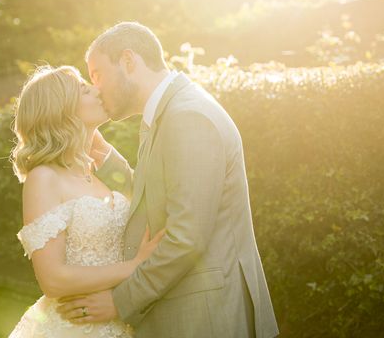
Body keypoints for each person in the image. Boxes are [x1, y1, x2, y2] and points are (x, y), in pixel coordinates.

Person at [56, 22, 280, 337]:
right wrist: (107, 159)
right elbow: (158, 200)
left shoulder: (187, 117)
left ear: (129, 61)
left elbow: (186, 237)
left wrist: (120, 301)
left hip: (206, 318)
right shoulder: (168, 112)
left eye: (97, 74)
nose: (96, 88)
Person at [8, 65, 163, 338]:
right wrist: (135, 266)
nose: (97, 89)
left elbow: (145, 200)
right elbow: (52, 280)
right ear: (61, 109)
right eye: (84, 88)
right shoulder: (43, 178)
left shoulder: (95, 172)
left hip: (119, 322)